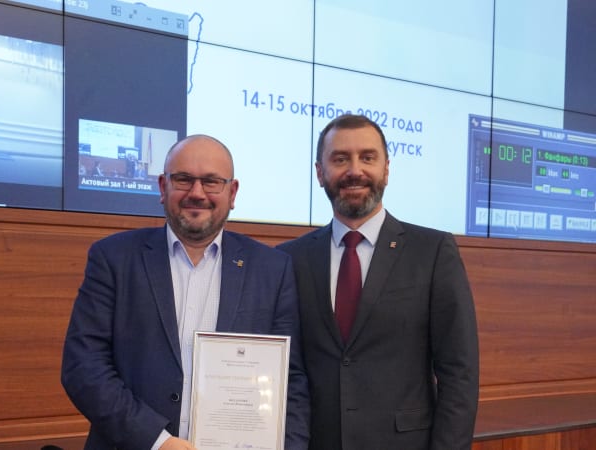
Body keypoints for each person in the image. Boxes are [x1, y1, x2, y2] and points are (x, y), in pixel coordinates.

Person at [62, 134, 310, 450]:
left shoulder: (272, 269)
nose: (196, 193)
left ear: (232, 192)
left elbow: (290, 382)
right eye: (183, 179)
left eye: (211, 182)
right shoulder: (113, 258)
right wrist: (158, 441)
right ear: (162, 186)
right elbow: (83, 366)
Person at [277, 114, 479, 450]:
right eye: (340, 159)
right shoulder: (289, 259)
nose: (354, 170)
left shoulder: (432, 252)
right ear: (319, 172)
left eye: (367, 158)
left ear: (386, 170)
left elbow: (460, 372)